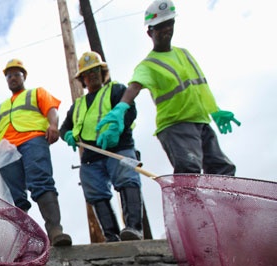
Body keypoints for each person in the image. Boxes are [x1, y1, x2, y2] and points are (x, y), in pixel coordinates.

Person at [96, 0, 239, 176]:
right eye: (160, 26)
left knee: (222, 169)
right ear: (150, 32)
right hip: (175, 125)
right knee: (189, 171)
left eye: (169, 23)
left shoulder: (184, 53)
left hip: (200, 121)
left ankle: (223, 203)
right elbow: (134, 87)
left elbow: (200, 86)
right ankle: (189, 203)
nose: (167, 29)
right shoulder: (148, 65)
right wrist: (121, 107)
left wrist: (214, 110)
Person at [0, 59, 72, 247]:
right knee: (14, 196)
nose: (12, 78)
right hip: (6, 150)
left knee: (40, 181)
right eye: (9, 75)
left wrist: (53, 125)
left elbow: (51, 110)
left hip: (32, 140)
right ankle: (23, 241)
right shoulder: (0, 107)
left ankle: (55, 230)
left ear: (24, 76)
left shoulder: (36, 93)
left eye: (16, 74)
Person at [60, 52, 143, 242]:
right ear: (82, 79)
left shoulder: (115, 90)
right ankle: (111, 235)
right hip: (91, 155)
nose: (92, 76)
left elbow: (129, 111)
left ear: (102, 71)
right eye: (87, 73)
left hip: (118, 147)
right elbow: (66, 126)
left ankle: (134, 229)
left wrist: (116, 130)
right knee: (96, 193)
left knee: (128, 182)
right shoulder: (78, 105)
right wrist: (67, 135)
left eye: (95, 70)